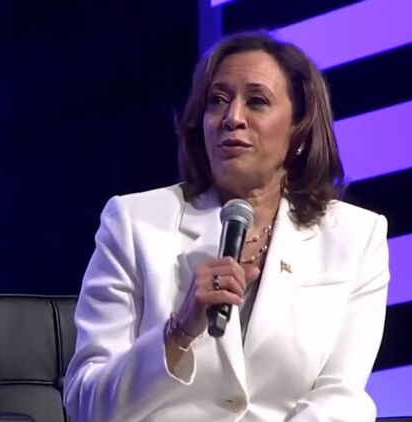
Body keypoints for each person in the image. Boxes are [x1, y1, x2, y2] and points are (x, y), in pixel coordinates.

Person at [63, 32, 390, 422]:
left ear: (299, 129)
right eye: (217, 100)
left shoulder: (355, 237)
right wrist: (179, 331)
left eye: (257, 101)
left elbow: (341, 397)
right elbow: (86, 404)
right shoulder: (135, 222)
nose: (232, 117)